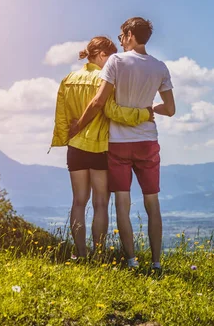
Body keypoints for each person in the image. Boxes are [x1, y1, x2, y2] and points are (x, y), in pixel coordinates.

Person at [69, 17, 175, 270]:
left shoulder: (116, 61)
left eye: (121, 36)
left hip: (118, 143)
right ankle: (157, 263)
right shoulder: (160, 67)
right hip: (148, 141)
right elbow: (170, 109)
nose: (121, 40)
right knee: (152, 203)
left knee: (122, 205)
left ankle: (131, 261)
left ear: (129, 35)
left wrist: (78, 127)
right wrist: (148, 108)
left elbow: (98, 101)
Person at [51, 36, 153, 259]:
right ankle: (98, 255)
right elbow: (112, 111)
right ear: (101, 55)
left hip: (76, 147)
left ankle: (80, 254)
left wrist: (65, 137)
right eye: (110, 56)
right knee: (100, 203)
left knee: (78, 202)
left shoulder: (68, 79)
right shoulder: (105, 80)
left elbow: (62, 116)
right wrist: (144, 113)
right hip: (100, 147)